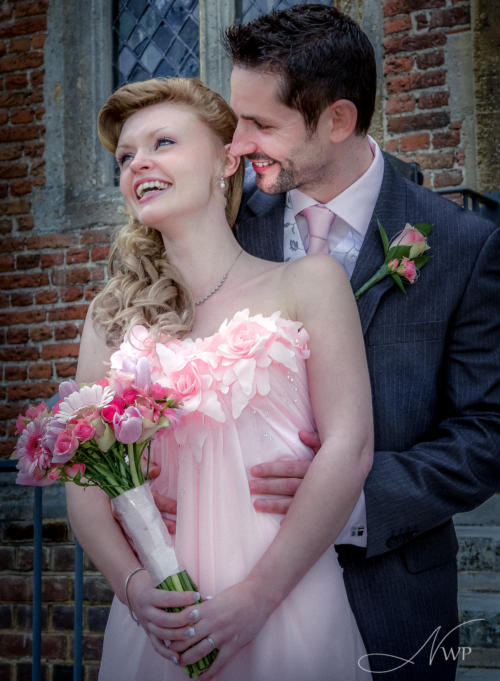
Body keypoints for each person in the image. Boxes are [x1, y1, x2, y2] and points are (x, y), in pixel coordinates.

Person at [213, 4, 499, 680]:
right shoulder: (224, 226)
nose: (238, 143)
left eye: (261, 124)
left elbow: (486, 432)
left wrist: (349, 502)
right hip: (232, 588)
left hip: (393, 601)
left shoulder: (462, 245)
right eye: (236, 119)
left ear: (338, 120)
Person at [66, 76, 374, 681]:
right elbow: (80, 480)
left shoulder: (310, 283)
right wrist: (133, 590)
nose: (138, 164)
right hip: (163, 616)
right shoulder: (110, 317)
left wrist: (257, 597)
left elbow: (350, 446)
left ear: (226, 159)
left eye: (163, 142)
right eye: (126, 156)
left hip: (286, 597)